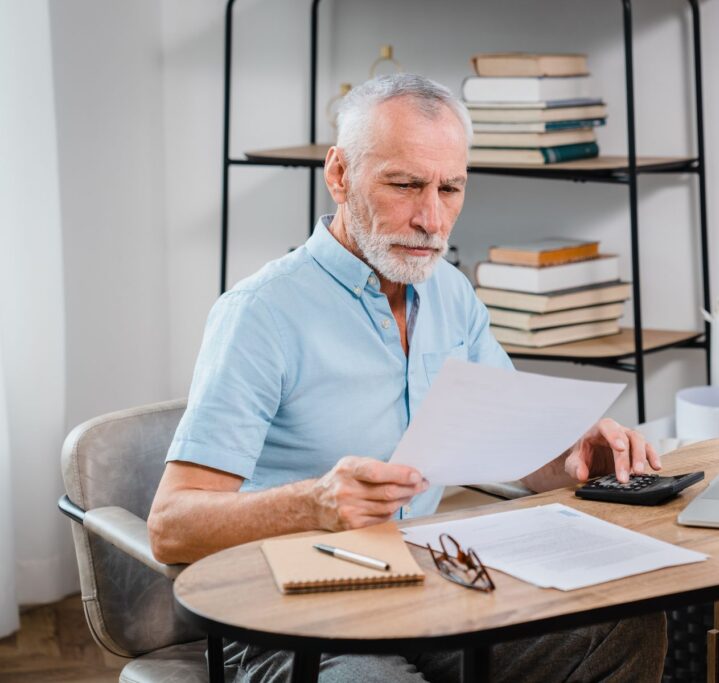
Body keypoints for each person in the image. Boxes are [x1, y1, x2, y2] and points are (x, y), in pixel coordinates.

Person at [148, 73, 667, 682]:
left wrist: (575, 453)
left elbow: (513, 454)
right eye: (405, 185)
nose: (431, 218)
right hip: (290, 618)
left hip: (430, 588)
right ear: (339, 175)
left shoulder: (450, 292)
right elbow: (170, 527)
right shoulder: (261, 314)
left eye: (450, 188)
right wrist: (312, 504)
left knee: (623, 631)